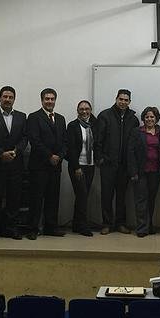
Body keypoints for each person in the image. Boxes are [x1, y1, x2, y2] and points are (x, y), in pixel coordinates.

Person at [0, 86, 27, 240]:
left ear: (14, 99)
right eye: (5, 97)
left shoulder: (22, 117)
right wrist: (1, 153)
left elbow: (24, 138)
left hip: (16, 164)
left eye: (10, 97)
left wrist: (15, 151)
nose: (8, 99)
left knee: (14, 198)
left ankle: (11, 228)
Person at [95, 89, 139, 235]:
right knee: (106, 195)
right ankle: (107, 223)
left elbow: (135, 143)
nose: (123, 102)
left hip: (124, 165)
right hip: (108, 164)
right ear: (116, 99)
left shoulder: (133, 119)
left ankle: (120, 223)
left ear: (129, 102)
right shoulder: (105, 115)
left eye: (126, 100)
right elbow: (98, 140)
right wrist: (100, 158)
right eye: (121, 99)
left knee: (122, 196)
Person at [26, 88, 67, 240]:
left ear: (55, 100)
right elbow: (34, 141)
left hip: (55, 166)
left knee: (53, 198)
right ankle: (32, 228)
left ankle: (51, 227)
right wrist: (50, 156)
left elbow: (64, 141)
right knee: (36, 199)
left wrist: (59, 156)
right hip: (39, 165)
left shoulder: (61, 119)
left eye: (52, 99)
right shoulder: (34, 117)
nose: (50, 101)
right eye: (47, 99)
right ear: (42, 100)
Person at [127, 106, 160, 237]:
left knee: (151, 200)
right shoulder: (137, 132)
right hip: (140, 172)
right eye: (147, 117)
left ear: (156, 118)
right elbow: (130, 152)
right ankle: (142, 228)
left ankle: (149, 225)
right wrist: (133, 172)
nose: (149, 119)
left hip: (156, 172)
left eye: (152, 117)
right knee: (141, 200)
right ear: (143, 118)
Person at [67, 100, 97, 237]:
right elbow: (71, 149)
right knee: (82, 195)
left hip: (90, 165)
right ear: (77, 111)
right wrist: (76, 167)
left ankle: (76, 224)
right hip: (77, 166)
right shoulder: (72, 126)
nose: (84, 111)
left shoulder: (94, 125)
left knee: (82, 196)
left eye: (87, 109)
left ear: (90, 110)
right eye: (81, 109)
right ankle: (83, 226)